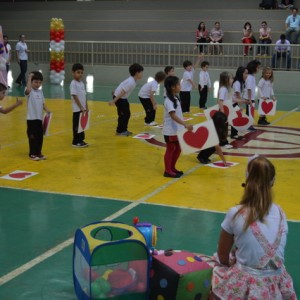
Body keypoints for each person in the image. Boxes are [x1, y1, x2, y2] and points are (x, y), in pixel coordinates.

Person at [211, 156, 297, 299]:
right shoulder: (281, 213)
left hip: (247, 282)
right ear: (273, 182)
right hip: (276, 282)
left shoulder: (236, 213)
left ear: (247, 180)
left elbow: (222, 255)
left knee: (214, 269)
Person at [163, 75, 193, 178]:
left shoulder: (175, 97)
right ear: (172, 87)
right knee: (170, 149)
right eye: (178, 84)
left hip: (176, 129)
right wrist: (185, 124)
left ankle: (172, 168)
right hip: (170, 130)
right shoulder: (168, 100)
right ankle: (167, 170)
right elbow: (173, 115)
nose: (180, 86)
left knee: (178, 148)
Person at [109, 63, 144, 136]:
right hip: (120, 99)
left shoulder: (132, 80)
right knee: (123, 115)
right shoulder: (131, 82)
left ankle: (124, 129)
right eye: (141, 72)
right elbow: (123, 92)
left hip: (123, 98)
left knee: (127, 114)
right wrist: (114, 100)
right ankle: (119, 131)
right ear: (137, 73)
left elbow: (122, 85)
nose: (142, 74)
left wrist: (115, 91)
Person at [25, 71, 50, 161]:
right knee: (33, 137)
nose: (38, 84)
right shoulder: (29, 91)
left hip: (39, 119)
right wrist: (29, 77)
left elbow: (43, 103)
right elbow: (27, 90)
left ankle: (38, 152)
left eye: (39, 82)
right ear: (31, 82)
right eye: (35, 82)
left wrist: (47, 110)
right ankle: (32, 153)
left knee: (40, 136)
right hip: (31, 119)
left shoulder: (40, 92)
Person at [70, 63, 89, 148]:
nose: (80, 74)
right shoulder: (73, 83)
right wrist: (80, 106)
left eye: (81, 72)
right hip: (77, 109)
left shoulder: (82, 83)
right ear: (73, 73)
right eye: (78, 72)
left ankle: (81, 140)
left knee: (82, 125)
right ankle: (75, 141)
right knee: (77, 126)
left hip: (83, 109)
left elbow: (84, 96)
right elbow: (75, 96)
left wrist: (86, 106)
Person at [231, 66, 250, 139]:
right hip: (233, 103)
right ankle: (233, 134)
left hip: (235, 102)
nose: (246, 75)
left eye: (247, 74)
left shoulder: (241, 82)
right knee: (234, 118)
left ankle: (235, 133)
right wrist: (241, 106)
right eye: (245, 73)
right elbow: (238, 95)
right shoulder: (237, 83)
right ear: (240, 73)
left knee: (235, 118)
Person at [243, 59, 261, 131]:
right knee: (250, 112)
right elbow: (249, 88)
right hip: (249, 98)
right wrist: (250, 100)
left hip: (250, 98)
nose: (258, 69)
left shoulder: (252, 76)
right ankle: (248, 125)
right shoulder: (250, 77)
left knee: (250, 112)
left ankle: (249, 125)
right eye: (258, 67)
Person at [217, 71, 233, 149]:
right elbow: (220, 100)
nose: (232, 80)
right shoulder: (223, 89)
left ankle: (224, 141)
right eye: (230, 78)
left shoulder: (226, 89)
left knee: (225, 127)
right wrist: (222, 111)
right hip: (223, 112)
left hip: (225, 111)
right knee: (223, 128)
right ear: (226, 79)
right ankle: (223, 143)